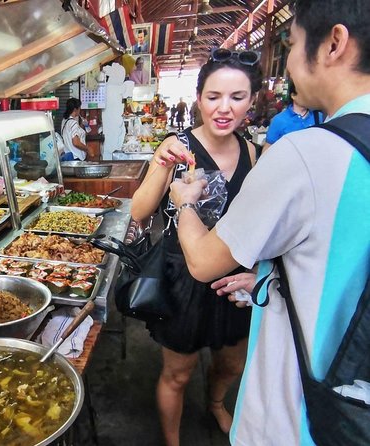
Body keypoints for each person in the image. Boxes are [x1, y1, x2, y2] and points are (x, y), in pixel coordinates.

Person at [168, 0, 370, 444]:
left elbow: (203, 262)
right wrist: (270, 274)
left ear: (333, 43)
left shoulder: (307, 152)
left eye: (293, 43)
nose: (292, 62)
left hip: (298, 411)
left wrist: (183, 203)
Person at [131, 48, 262, 446]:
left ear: (251, 102)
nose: (224, 108)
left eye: (237, 98)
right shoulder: (177, 146)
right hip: (182, 275)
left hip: (234, 279)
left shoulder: (255, 153)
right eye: (213, 97)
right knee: (178, 373)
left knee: (230, 363)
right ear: (199, 98)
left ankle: (217, 402)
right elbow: (139, 210)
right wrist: (160, 164)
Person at [263, 80, 316, 151]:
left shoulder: (318, 117)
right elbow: (268, 148)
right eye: (304, 93)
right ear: (293, 95)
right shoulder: (279, 120)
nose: (309, 97)